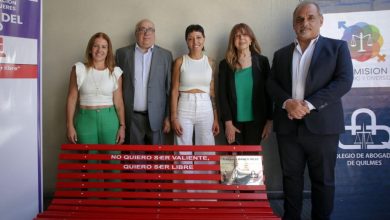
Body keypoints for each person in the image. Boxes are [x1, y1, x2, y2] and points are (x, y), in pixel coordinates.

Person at [266, 1, 353, 220]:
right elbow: (271, 84)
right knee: (290, 179)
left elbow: (344, 81)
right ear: (294, 24)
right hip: (288, 128)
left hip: (323, 127)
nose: (305, 22)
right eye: (300, 19)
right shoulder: (281, 54)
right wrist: (288, 102)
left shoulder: (337, 48)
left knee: (323, 181)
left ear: (320, 21)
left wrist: (307, 104)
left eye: (310, 17)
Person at [170, 24, 219, 191]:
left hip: (205, 105)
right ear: (186, 42)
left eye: (198, 37)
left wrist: (216, 117)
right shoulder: (180, 61)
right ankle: (185, 195)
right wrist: (173, 117)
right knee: (183, 150)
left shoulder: (210, 62)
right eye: (190, 39)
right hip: (184, 105)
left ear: (204, 39)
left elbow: (212, 91)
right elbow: (174, 90)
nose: (195, 41)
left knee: (205, 150)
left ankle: (206, 194)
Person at [116, 19, 172, 145]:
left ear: (154, 33)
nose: (146, 33)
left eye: (150, 29)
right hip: (132, 118)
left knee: (158, 160)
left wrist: (168, 117)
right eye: (142, 29)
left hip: (157, 118)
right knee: (136, 161)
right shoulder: (122, 54)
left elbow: (169, 89)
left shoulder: (166, 55)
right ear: (136, 33)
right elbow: (116, 89)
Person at [66, 32, 125, 147]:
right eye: (96, 46)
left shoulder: (115, 72)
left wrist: (122, 126)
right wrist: (70, 126)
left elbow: (119, 102)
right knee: (88, 161)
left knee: (112, 160)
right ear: (90, 49)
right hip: (85, 120)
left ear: (108, 51)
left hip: (110, 120)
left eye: (104, 47)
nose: (99, 50)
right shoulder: (78, 69)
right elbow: (71, 99)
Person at [218, 23, 272, 146]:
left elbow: (269, 93)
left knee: (251, 162)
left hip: (257, 122)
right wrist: (227, 123)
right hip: (233, 123)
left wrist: (269, 121)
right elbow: (222, 96)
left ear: (251, 39)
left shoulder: (262, 62)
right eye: (237, 36)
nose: (241, 38)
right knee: (232, 163)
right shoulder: (225, 65)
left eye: (244, 34)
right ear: (233, 42)